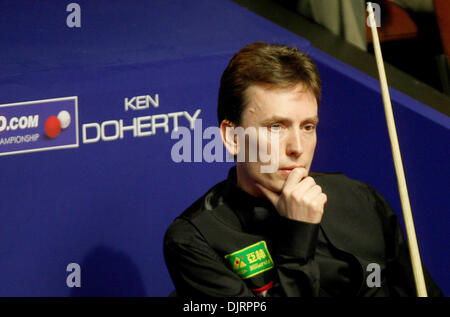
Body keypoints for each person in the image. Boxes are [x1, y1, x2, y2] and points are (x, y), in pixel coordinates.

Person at [163, 42, 442, 297]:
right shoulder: (195, 240)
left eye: (308, 126)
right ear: (233, 137)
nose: (297, 147)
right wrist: (298, 236)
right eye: (276, 127)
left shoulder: (361, 199)